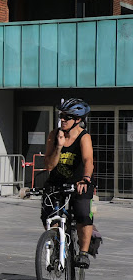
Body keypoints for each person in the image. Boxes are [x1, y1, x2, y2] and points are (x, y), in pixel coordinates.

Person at [43, 98, 94, 268]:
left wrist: (85, 179)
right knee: (49, 218)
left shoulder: (83, 137)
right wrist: (59, 146)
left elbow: (88, 161)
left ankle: (83, 253)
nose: (62, 119)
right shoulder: (54, 134)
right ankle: (57, 247)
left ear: (78, 119)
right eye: (61, 116)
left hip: (79, 182)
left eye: (67, 117)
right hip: (56, 184)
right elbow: (49, 165)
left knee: (83, 215)